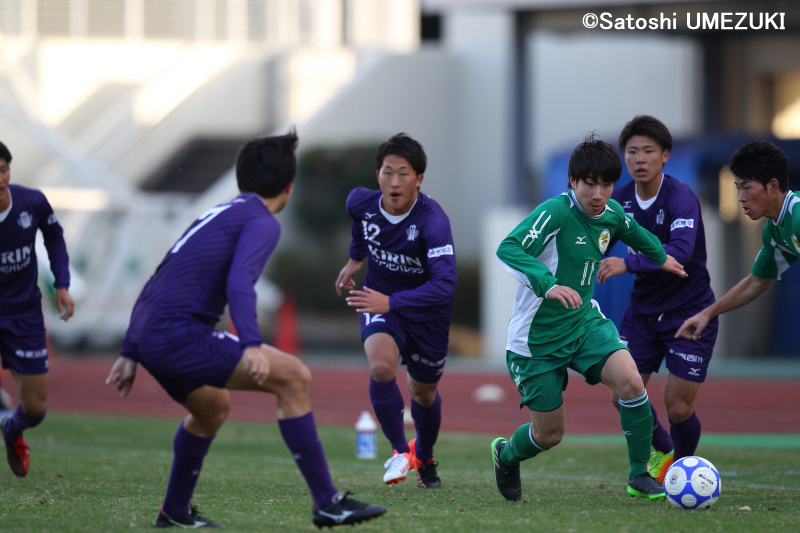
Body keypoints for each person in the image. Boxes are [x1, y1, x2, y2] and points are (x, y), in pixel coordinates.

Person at [106, 131, 386, 529]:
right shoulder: (261, 222)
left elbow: (159, 277)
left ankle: (174, 512)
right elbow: (241, 283)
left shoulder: (219, 212)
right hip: (178, 334)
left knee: (211, 408)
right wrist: (252, 344)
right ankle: (328, 502)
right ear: (289, 187)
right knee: (294, 377)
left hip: (154, 334)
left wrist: (131, 349)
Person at [490, 133, 688, 502]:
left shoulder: (610, 213)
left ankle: (638, 475)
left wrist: (662, 258)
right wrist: (546, 285)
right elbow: (508, 248)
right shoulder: (556, 212)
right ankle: (506, 454)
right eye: (589, 184)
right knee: (549, 435)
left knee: (631, 381)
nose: (598, 195)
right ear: (573, 181)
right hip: (536, 342)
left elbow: (636, 233)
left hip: (584, 325)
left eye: (607, 185)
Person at [596, 116, 717, 482]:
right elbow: (593, 235)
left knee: (678, 407)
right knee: (622, 395)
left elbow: (678, 252)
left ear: (665, 155)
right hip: (644, 314)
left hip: (688, 312)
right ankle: (664, 453)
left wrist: (626, 263)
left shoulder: (680, 198)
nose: (639, 159)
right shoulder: (619, 201)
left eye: (648, 151)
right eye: (632, 151)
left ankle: (683, 469)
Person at [335, 133, 457, 489]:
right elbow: (360, 226)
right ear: (378, 176)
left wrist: (393, 302)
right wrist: (356, 258)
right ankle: (401, 451)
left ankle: (427, 457)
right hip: (380, 300)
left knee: (423, 394)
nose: (395, 182)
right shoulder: (360, 202)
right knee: (382, 366)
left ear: (419, 179)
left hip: (427, 312)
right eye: (388, 172)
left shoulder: (433, 221)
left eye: (404, 174)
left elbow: (445, 285)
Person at [0, 140, 75, 477]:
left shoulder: (32, 202)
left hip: (24, 314)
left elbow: (54, 237)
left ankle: (11, 430)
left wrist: (62, 283)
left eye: (2, 170)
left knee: (35, 408)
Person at [677, 140, 796, 341]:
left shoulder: (798, 216)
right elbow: (755, 283)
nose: (740, 197)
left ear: (773, 186)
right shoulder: (774, 231)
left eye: (747, 187)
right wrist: (707, 313)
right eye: (738, 188)